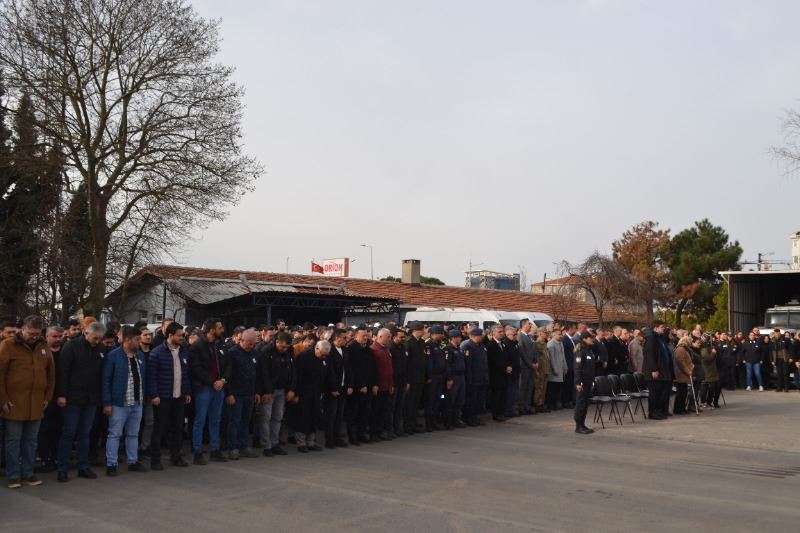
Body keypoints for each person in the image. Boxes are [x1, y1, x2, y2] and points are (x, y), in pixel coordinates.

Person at [0, 315, 55, 488]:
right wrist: (3, 399)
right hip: (14, 403)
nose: (34, 337)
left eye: (37, 334)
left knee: (31, 440)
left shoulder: (43, 347)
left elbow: (51, 375)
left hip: (37, 403)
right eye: (31, 333)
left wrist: (47, 397)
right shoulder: (7, 345)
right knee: (13, 440)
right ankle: (13, 475)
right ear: (22, 329)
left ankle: (28, 473)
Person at [56, 320, 105, 482]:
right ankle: (62, 468)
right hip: (72, 398)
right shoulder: (71, 346)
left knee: (85, 433)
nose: (97, 341)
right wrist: (62, 395)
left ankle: (83, 466)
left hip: (91, 399)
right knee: (69, 432)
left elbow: (101, 374)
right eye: (95, 338)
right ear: (86, 333)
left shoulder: (100, 349)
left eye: (100, 339)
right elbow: (63, 372)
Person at [101, 325, 148, 476]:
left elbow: (143, 378)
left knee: (133, 434)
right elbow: (106, 380)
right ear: (127, 340)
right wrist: (107, 403)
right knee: (114, 434)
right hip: (119, 403)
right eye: (137, 339)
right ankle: (111, 464)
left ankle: (133, 461)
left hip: (137, 402)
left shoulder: (140, 356)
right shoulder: (113, 356)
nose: (140, 342)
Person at [147, 321, 192, 470]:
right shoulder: (157, 352)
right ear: (170, 335)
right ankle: (155, 460)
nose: (182, 337)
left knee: (177, 428)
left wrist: (187, 392)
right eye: (179, 335)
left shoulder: (183, 351)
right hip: (163, 397)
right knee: (159, 429)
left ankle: (176, 457)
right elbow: (151, 376)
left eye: (182, 335)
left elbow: (185, 374)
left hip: (179, 397)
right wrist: (154, 395)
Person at [188, 318, 230, 464]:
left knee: (215, 420)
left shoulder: (221, 344)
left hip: (219, 387)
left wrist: (223, 380)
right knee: (200, 420)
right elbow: (196, 368)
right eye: (219, 328)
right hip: (204, 388)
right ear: (212, 330)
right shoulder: (197, 346)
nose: (222, 330)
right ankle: (198, 452)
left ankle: (215, 450)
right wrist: (212, 382)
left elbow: (228, 364)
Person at [287, 340, 334, 453]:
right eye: (322, 354)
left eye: (325, 355)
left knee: (314, 417)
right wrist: (295, 393)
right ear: (316, 348)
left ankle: (311, 442)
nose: (323, 357)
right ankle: (301, 443)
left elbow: (328, 374)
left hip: (316, 392)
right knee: (302, 418)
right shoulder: (303, 357)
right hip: (303, 392)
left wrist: (332, 388)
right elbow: (296, 376)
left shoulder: (325, 358)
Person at [224, 329, 260, 459]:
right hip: (236, 394)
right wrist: (229, 393)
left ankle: (243, 445)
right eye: (250, 343)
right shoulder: (232, 353)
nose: (252, 346)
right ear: (242, 340)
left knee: (246, 421)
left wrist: (257, 392)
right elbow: (227, 375)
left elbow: (257, 374)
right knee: (235, 421)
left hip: (249, 393)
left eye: (254, 344)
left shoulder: (255, 353)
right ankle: (232, 447)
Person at [257, 331, 293, 456]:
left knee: (278, 418)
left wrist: (290, 389)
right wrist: (267, 391)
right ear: (277, 342)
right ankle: (266, 445)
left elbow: (290, 371)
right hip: (269, 391)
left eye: (286, 347)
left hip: (281, 390)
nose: (284, 349)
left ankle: (275, 443)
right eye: (282, 347)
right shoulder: (266, 351)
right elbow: (264, 373)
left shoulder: (288, 352)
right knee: (266, 418)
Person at [37, 325, 64, 472]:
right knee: (44, 428)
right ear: (46, 336)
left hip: (61, 397)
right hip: (44, 397)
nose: (58, 339)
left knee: (58, 428)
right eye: (54, 336)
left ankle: (56, 456)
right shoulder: (41, 351)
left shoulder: (65, 351)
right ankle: (44, 458)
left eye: (60, 336)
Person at [345, 326, 375, 444]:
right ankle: (353, 436)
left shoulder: (368, 349)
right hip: (357, 387)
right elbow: (352, 370)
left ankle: (361, 434)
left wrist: (373, 384)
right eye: (363, 336)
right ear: (356, 336)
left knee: (364, 412)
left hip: (368, 385)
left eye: (367, 336)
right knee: (354, 412)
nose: (366, 338)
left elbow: (371, 368)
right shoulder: (351, 349)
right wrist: (361, 385)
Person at [642, 321, 673, 420]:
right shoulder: (651, 338)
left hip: (662, 370)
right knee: (654, 393)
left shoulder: (660, 338)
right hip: (654, 371)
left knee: (660, 392)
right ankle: (652, 412)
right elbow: (650, 355)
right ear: (655, 328)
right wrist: (653, 369)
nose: (664, 329)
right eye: (662, 327)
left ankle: (659, 411)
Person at [324, 329, 348, 449]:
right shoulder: (330, 351)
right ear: (337, 338)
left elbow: (348, 368)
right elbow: (329, 372)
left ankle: (337, 437)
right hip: (332, 389)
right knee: (331, 414)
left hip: (343, 386)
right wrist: (332, 388)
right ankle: (329, 439)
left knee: (340, 414)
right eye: (344, 338)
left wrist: (349, 385)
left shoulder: (344, 350)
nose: (346, 340)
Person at [369, 328, 394, 441]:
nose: (390, 339)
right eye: (388, 337)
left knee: (383, 410)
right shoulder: (374, 349)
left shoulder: (386, 349)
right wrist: (374, 384)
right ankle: (374, 433)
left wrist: (391, 384)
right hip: (378, 386)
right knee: (375, 411)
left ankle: (381, 431)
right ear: (380, 337)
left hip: (386, 385)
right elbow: (373, 370)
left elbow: (389, 368)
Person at [424, 326, 448, 431]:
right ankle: (429, 423)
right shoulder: (428, 345)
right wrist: (429, 376)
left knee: (438, 400)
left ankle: (434, 421)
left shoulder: (439, 345)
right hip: (433, 376)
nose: (442, 335)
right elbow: (428, 362)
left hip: (440, 376)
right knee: (431, 400)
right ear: (434, 334)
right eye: (440, 333)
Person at [462, 328, 488, 426]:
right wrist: (469, 379)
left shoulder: (481, 346)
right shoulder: (468, 346)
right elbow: (468, 365)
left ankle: (475, 417)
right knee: (471, 400)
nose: (482, 337)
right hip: (473, 378)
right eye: (480, 335)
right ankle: (468, 418)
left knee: (478, 400)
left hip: (481, 377)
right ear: (474, 336)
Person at [404, 322, 426, 435]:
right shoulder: (409, 343)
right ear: (416, 330)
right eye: (422, 330)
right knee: (410, 403)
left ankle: (413, 423)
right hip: (412, 378)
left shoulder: (421, 342)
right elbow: (407, 364)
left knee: (416, 402)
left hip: (420, 377)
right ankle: (407, 425)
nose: (424, 332)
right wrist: (407, 380)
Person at [443, 329, 467, 429]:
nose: (460, 339)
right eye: (459, 337)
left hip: (461, 376)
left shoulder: (459, 348)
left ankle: (456, 419)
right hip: (453, 377)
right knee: (451, 400)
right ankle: (448, 421)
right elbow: (447, 365)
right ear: (453, 338)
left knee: (460, 399)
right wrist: (449, 379)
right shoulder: (448, 349)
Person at [573, 332, 595, 434]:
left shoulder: (588, 350)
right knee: (580, 403)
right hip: (582, 382)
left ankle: (582, 423)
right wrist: (578, 383)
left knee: (585, 404)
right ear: (584, 339)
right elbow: (577, 368)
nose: (592, 339)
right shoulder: (580, 351)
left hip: (588, 381)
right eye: (590, 338)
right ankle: (578, 426)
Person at [388, 327, 408, 437]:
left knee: (400, 407)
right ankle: (390, 430)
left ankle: (398, 428)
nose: (403, 339)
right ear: (394, 337)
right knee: (391, 407)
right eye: (401, 337)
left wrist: (406, 381)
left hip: (402, 382)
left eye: (404, 337)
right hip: (394, 382)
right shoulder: (390, 348)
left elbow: (406, 365)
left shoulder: (403, 348)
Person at [487, 325, 510, 422]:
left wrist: (508, 366)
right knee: (496, 395)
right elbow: (493, 360)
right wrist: (504, 367)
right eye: (499, 332)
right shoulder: (490, 345)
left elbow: (506, 357)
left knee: (503, 394)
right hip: (496, 374)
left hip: (504, 374)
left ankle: (501, 412)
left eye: (502, 331)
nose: (502, 333)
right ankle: (496, 414)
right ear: (493, 333)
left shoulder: (503, 344)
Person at [516, 320, 537, 416]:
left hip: (532, 366)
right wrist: (530, 364)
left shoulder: (530, 337)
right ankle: (521, 407)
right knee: (523, 387)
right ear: (524, 325)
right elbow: (522, 353)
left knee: (530, 387)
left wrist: (536, 361)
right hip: (525, 366)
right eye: (529, 323)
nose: (530, 325)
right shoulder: (520, 336)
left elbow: (534, 350)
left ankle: (527, 406)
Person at [672, 336, 694, 415]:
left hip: (683, 374)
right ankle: (678, 409)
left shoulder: (684, 349)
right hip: (680, 374)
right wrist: (688, 371)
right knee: (681, 392)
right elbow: (680, 361)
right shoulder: (680, 349)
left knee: (683, 392)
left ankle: (682, 408)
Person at [546, 329, 566, 410]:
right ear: (553, 335)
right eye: (559, 334)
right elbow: (551, 358)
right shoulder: (551, 344)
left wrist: (565, 367)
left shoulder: (560, 343)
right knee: (552, 388)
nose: (561, 336)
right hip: (554, 370)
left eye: (561, 334)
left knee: (558, 388)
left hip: (560, 369)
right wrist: (554, 369)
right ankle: (550, 404)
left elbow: (563, 356)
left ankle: (556, 403)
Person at [532, 330, 550, 414]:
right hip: (540, 369)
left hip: (545, 368)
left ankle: (541, 403)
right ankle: (537, 404)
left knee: (544, 388)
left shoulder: (545, 344)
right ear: (540, 333)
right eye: (544, 333)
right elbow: (536, 358)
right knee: (539, 387)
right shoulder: (536, 344)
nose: (546, 334)